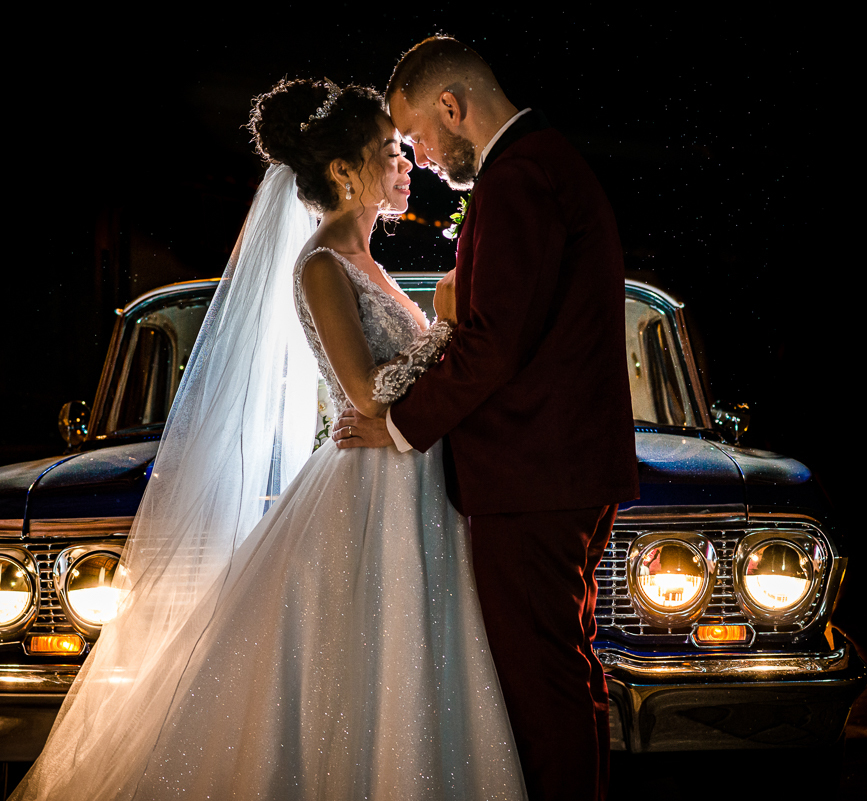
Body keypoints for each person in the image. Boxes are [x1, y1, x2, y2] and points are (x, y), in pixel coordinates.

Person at [8, 79, 527, 801]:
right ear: (345, 172)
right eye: (389, 151)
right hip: (371, 486)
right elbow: (363, 390)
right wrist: (444, 325)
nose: (406, 165)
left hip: (410, 477)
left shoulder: (367, 260)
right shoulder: (320, 265)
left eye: (404, 151)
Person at [334, 37, 640, 801]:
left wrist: (397, 424)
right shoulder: (543, 164)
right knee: (558, 669)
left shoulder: (519, 179)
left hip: (533, 476)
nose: (421, 157)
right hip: (552, 469)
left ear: (451, 105)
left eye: (419, 137)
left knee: (545, 684)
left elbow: (494, 341)